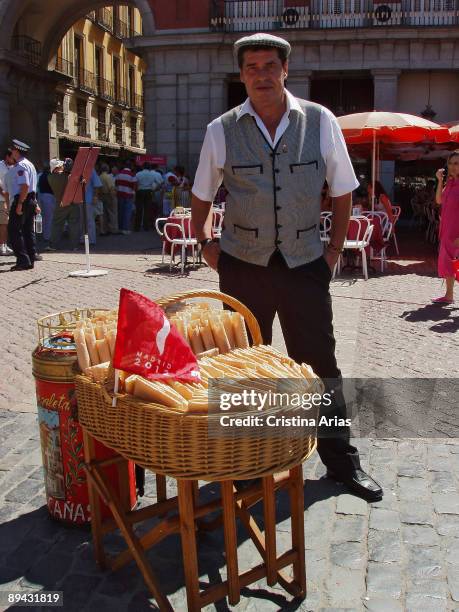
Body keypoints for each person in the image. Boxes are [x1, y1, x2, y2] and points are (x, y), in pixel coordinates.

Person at [191, 32, 382, 502]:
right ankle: (246, 467)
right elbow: (201, 191)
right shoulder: (222, 128)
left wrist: (334, 249)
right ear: (241, 76)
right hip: (242, 266)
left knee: (321, 365)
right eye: (251, 67)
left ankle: (341, 462)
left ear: (285, 70)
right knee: (242, 368)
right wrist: (204, 242)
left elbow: (343, 189)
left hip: (304, 264)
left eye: (269, 65)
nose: (261, 74)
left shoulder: (319, 121)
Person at [5, 139, 40, 271]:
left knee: (13, 230)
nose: (12, 152)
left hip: (23, 199)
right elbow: (32, 186)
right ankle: (30, 259)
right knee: (28, 231)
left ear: (16, 151)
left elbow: (25, 185)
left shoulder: (21, 166)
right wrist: (35, 202)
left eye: (13, 150)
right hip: (30, 199)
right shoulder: (29, 164)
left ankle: (23, 259)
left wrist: (19, 203)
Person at [433, 151, 459, 304]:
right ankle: (449, 295)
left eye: (456, 163)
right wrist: (439, 180)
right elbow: (438, 200)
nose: (453, 166)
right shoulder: (449, 182)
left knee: (455, 263)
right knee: (447, 262)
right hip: (446, 230)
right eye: (451, 163)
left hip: (457, 231)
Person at [47, 158, 80, 251]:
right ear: (58, 167)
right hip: (72, 202)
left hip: (60, 203)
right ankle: (74, 246)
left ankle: (53, 245)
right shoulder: (66, 176)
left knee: (57, 224)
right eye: (61, 165)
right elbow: (72, 177)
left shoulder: (50, 176)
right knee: (74, 224)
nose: (63, 166)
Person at [135, 162, 163, 231]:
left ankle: (137, 227)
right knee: (147, 210)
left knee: (139, 209)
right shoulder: (152, 175)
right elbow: (160, 183)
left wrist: (136, 190)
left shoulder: (138, 174)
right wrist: (155, 190)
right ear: (149, 167)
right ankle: (146, 226)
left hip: (140, 191)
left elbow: (135, 183)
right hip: (149, 191)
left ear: (143, 167)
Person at [38, 160, 60, 245]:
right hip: (49, 197)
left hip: (42, 196)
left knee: (44, 217)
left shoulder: (41, 175)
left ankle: (44, 234)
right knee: (49, 217)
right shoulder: (50, 176)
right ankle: (48, 236)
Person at [115, 161, 137, 234]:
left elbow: (116, 184)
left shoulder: (119, 174)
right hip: (128, 195)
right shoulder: (132, 175)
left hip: (120, 194)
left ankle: (120, 228)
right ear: (130, 167)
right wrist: (133, 195)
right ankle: (125, 229)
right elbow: (134, 186)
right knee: (127, 212)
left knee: (120, 211)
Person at [0, 148, 14, 255]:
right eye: (12, 157)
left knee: (7, 223)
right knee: (3, 224)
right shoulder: (0, 166)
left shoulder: (12, 166)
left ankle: (5, 244)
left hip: (10, 199)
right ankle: (2, 246)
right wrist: (3, 193)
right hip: (2, 199)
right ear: (7, 157)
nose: (14, 159)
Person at [99, 163, 119, 234]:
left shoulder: (100, 176)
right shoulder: (108, 177)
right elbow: (111, 188)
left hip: (102, 196)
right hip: (109, 195)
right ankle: (113, 229)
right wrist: (113, 197)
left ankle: (105, 228)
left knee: (104, 214)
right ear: (107, 169)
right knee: (113, 213)